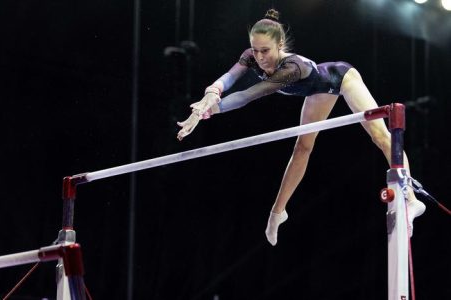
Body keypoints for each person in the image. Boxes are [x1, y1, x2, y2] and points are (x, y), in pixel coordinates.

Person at [176, 9, 426, 246]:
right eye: (255, 50)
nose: (260, 57)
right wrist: (210, 95)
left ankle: (411, 200)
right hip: (318, 91)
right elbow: (230, 77)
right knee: (302, 147)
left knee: (381, 136)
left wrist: (210, 110)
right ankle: (278, 212)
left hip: (341, 78)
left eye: (266, 51)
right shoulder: (252, 56)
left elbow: (247, 95)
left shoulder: (292, 68)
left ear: (279, 46)